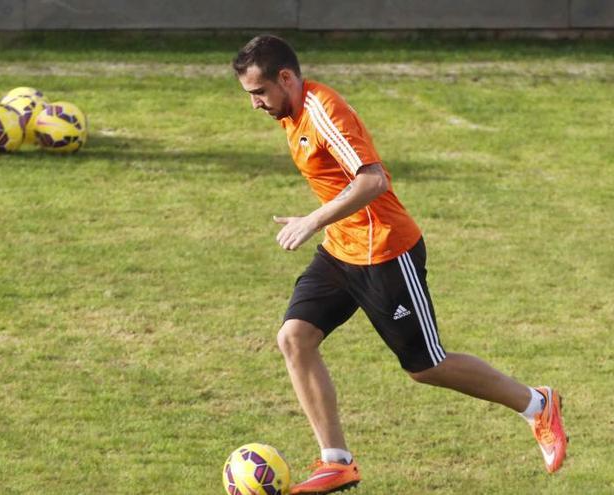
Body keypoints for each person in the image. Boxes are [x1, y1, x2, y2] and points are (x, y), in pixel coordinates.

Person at [232, 35, 567, 494]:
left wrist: (311, 219)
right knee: (295, 337)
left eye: (259, 93)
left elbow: (373, 180)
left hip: (385, 252)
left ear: (286, 78)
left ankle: (536, 404)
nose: (255, 104)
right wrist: (320, 220)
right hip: (340, 248)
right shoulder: (291, 113)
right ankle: (337, 462)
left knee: (426, 366)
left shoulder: (324, 111)